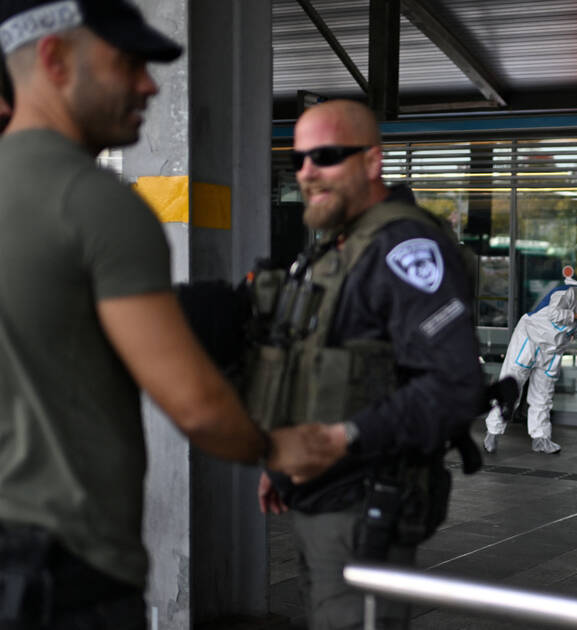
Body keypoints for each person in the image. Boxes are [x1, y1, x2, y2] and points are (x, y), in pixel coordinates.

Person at [0, 2, 341, 627]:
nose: (149, 84)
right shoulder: (95, 203)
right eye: (127, 63)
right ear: (53, 58)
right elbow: (197, 405)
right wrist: (275, 446)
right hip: (62, 573)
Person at [254, 99, 485, 629]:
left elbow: (454, 383)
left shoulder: (404, 247)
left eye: (327, 156)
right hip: (317, 492)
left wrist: (345, 438)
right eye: (300, 160)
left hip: (364, 500)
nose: (308, 172)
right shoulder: (334, 247)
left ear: (371, 162)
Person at [483, 279, 577, 454]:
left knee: (543, 395)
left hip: (551, 351)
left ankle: (541, 438)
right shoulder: (569, 292)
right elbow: (553, 314)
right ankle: (492, 433)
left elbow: (572, 332)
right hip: (529, 339)